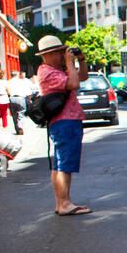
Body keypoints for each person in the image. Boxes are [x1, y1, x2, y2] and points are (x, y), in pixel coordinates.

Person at [36, 36, 91, 216]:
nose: (61, 55)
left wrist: (80, 60)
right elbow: (74, 84)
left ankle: (61, 202)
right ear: (48, 55)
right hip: (65, 121)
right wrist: (69, 63)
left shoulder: (57, 70)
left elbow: (82, 77)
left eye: (62, 52)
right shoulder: (47, 72)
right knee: (65, 164)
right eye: (58, 53)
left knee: (59, 164)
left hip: (66, 121)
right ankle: (64, 203)